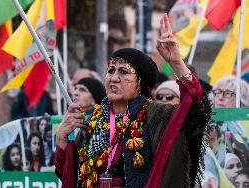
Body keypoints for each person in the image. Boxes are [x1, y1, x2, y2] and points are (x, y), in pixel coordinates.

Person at [54, 14, 211, 188]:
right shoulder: (93, 121)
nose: (113, 78)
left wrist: (177, 63)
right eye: (111, 70)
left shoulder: (157, 116)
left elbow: (199, 111)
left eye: (123, 72)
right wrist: (61, 140)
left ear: (140, 82)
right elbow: (69, 177)